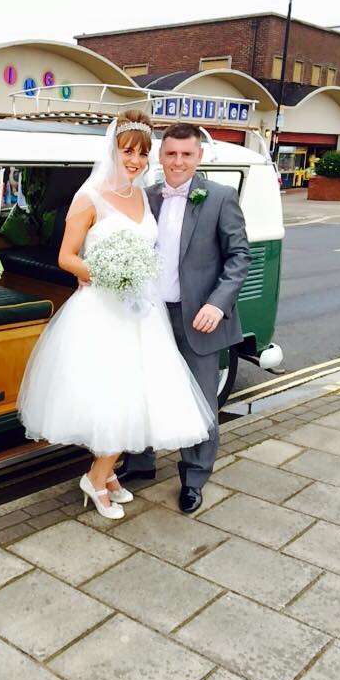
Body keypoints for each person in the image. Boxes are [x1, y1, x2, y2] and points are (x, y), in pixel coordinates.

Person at [17, 111, 214, 520]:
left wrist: (136, 278)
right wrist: (109, 275)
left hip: (142, 313)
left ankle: (105, 475)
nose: (135, 161)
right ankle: (95, 478)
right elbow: (67, 257)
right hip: (103, 312)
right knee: (115, 396)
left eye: (142, 153)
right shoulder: (88, 197)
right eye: (128, 151)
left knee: (137, 396)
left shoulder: (144, 196)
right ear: (113, 150)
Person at [119, 122, 251, 513]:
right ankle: (140, 461)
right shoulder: (145, 197)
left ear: (199, 156)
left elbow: (239, 256)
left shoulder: (221, 197)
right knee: (143, 390)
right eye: (171, 154)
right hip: (149, 315)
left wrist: (217, 303)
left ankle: (194, 478)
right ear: (161, 156)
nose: (178, 161)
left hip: (199, 318)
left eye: (186, 154)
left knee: (200, 403)